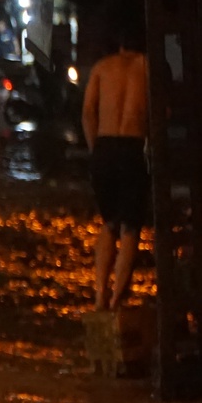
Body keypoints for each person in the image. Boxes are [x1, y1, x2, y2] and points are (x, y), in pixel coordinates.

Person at [82, 28, 151, 310]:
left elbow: (87, 113)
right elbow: (164, 112)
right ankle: (117, 299)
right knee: (131, 228)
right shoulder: (149, 67)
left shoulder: (102, 67)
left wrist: (95, 149)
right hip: (133, 147)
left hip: (104, 146)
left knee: (108, 223)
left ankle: (99, 295)